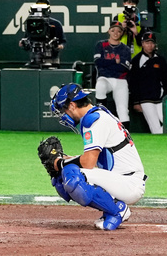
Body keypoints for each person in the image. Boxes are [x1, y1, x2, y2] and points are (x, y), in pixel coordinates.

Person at [45, 83, 145, 231]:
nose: (64, 115)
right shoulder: (97, 114)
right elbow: (92, 160)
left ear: (72, 105)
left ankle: (117, 210)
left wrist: (59, 163)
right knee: (61, 176)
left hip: (128, 183)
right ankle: (113, 206)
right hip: (121, 179)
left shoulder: (94, 120)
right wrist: (64, 160)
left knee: (72, 175)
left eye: (64, 110)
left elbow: (88, 163)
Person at [128, 32, 167, 134]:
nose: (149, 45)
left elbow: (165, 80)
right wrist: (136, 102)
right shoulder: (137, 60)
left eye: (151, 43)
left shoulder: (160, 59)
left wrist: (166, 96)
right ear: (142, 44)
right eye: (147, 42)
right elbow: (133, 83)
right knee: (155, 127)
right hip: (145, 99)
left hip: (159, 98)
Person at [93, 23, 132, 123]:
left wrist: (108, 64)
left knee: (123, 110)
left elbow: (125, 68)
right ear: (109, 31)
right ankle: (101, 111)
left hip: (120, 80)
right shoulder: (101, 45)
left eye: (119, 31)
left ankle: (126, 136)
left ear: (122, 33)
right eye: (113, 30)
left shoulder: (125, 49)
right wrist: (115, 61)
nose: (116, 33)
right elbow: (98, 62)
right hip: (105, 78)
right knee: (100, 85)